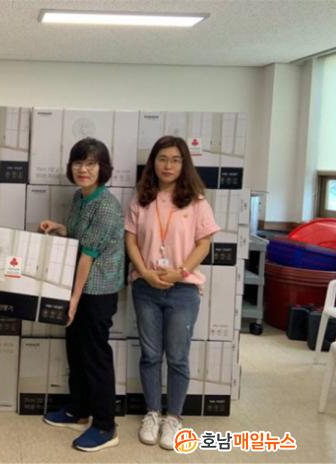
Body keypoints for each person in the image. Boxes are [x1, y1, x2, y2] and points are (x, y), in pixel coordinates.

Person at [125, 135, 220, 450]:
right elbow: (130, 240)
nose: (168, 165)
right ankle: (153, 413)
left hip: (183, 290)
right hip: (146, 287)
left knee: (178, 357)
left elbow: (204, 243)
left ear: (184, 164)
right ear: (153, 162)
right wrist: (145, 273)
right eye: (162, 158)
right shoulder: (141, 199)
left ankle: (174, 417)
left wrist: (181, 272)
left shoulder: (197, 201)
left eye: (175, 160)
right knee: (150, 355)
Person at [39, 137, 124, 452]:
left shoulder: (106, 205)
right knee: (75, 350)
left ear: (103, 168)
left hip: (97, 290)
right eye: (78, 162)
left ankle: (105, 425)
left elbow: (88, 254)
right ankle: (79, 409)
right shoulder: (80, 197)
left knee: (95, 356)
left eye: (90, 163)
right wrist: (60, 229)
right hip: (76, 284)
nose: (83, 169)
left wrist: (73, 301)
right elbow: (78, 236)